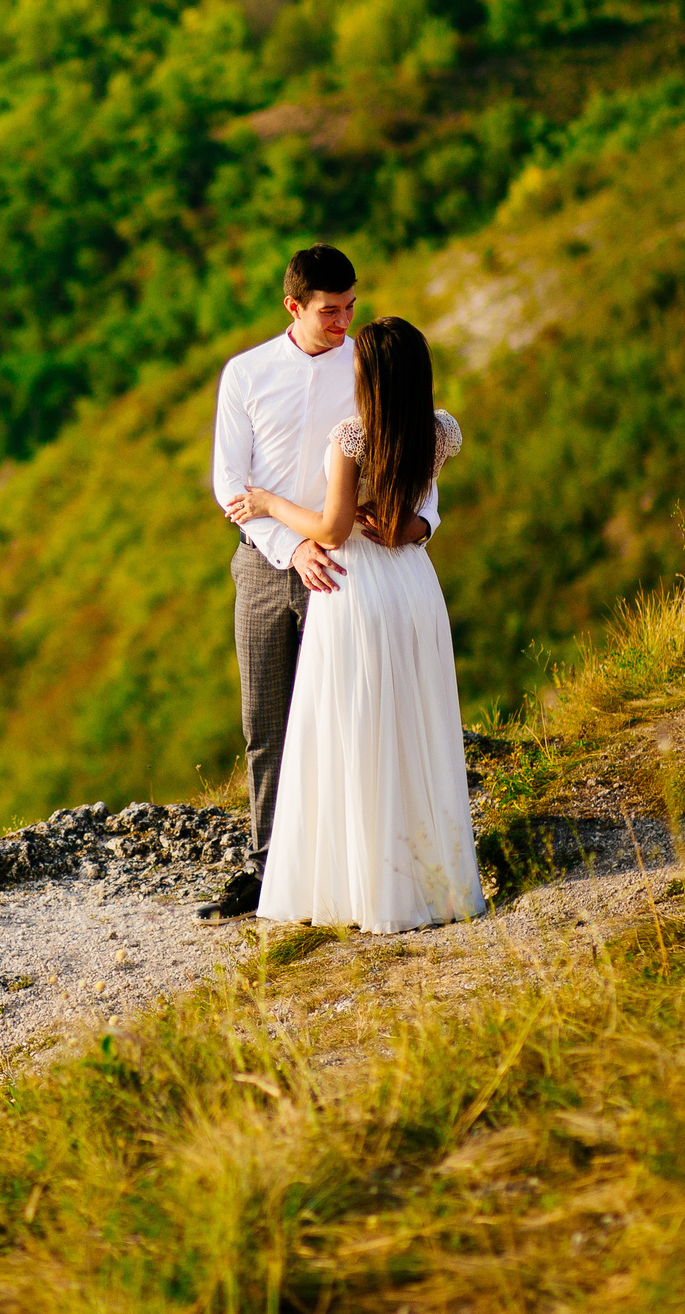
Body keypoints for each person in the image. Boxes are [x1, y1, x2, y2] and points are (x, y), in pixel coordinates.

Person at [198, 247, 436, 923]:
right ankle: (269, 866)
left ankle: (341, 864)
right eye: (331, 310)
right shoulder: (245, 373)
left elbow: (408, 445)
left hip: (348, 567)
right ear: (293, 307)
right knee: (265, 721)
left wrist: (420, 525)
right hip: (265, 563)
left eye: (351, 306)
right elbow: (229, 482)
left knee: (342, 716)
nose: (344, 320)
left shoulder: (364, 365)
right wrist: (293, 542)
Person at [224, 316, 483, 934]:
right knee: (414, 724)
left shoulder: (352, 436)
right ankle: (427, 880)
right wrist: (412, 525)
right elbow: (416, 509)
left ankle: (358, 883)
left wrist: (265, 503)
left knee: (348, 728)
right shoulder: (441, 430)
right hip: (414, 585)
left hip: (354, 586)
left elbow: (333, 531)